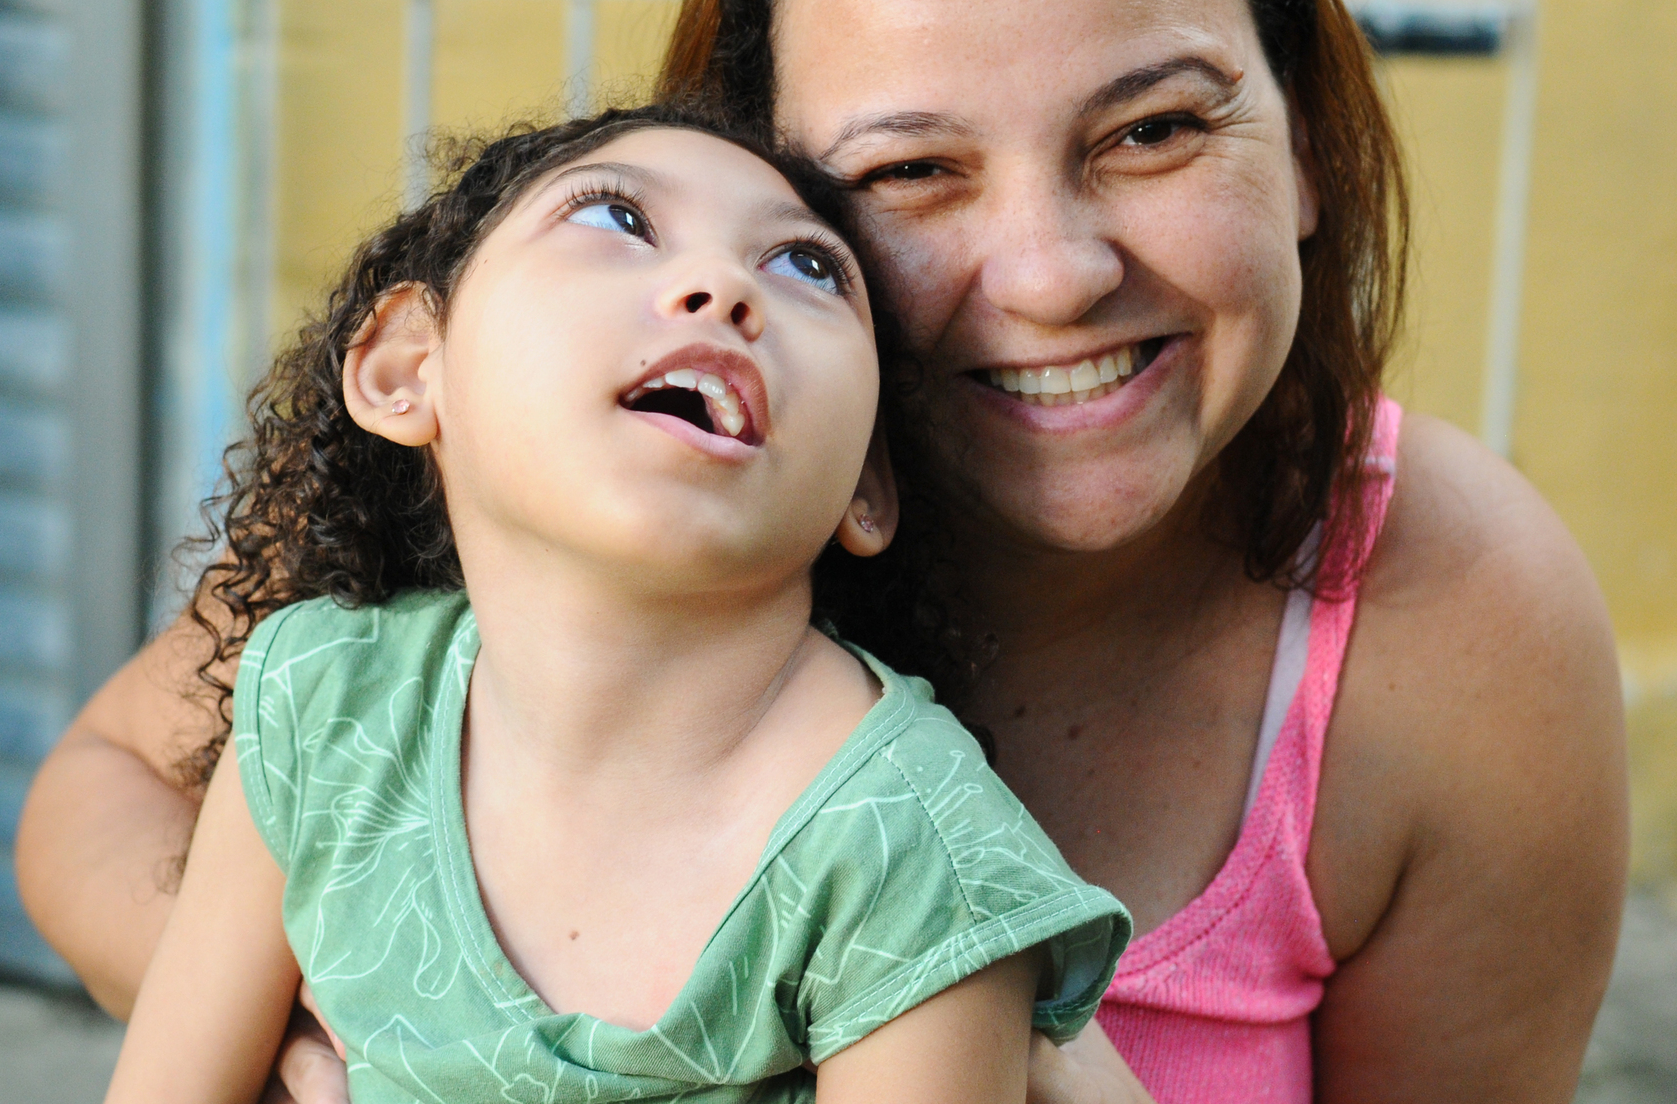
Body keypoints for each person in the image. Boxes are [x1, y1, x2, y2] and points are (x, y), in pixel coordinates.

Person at [18, 0, 1627, 1104]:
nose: (1056, 273)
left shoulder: (1452, 619)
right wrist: (341, 1008)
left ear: (1308, 160)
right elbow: (106, 786)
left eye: (1150, 131)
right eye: (910, 173)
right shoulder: (565, 519)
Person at [96, 106, 1130, 1104]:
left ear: (863, 487)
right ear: (410, 367)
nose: (722, 287)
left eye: (808, 267)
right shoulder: (323, 705)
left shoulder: (913, 847)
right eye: (618, 220)